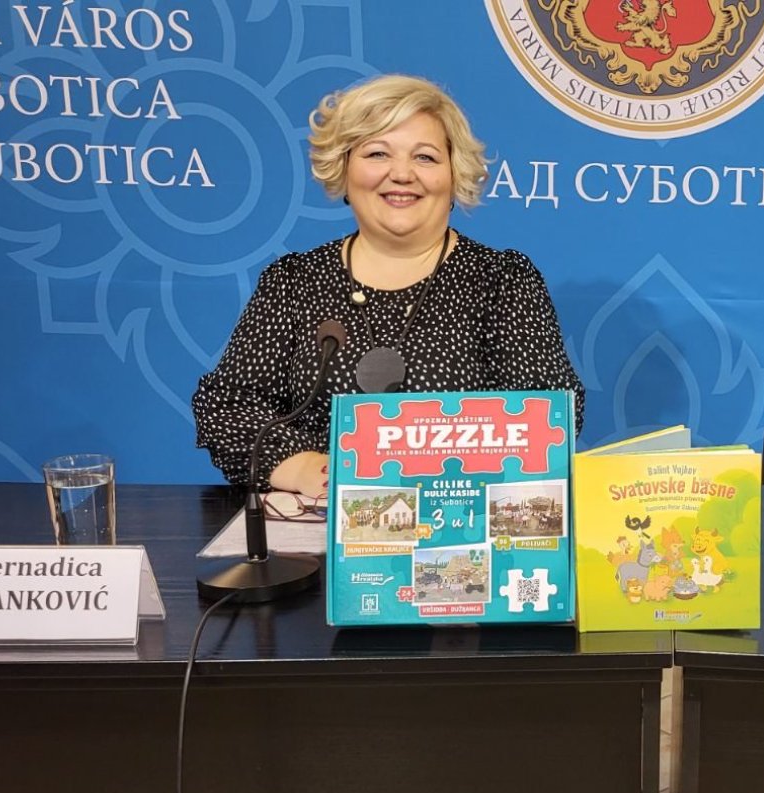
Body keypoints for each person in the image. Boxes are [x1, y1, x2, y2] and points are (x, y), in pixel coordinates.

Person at [192, 74, 585, 493]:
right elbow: (228, 406)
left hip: (461, 516)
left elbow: (548, 416)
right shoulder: (294, 281)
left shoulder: (502, 281)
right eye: (377, 153)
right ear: (343, 167)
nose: (401, 174)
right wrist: (308, 470)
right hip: (318, 520)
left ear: (454, 174)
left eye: (425, 157)